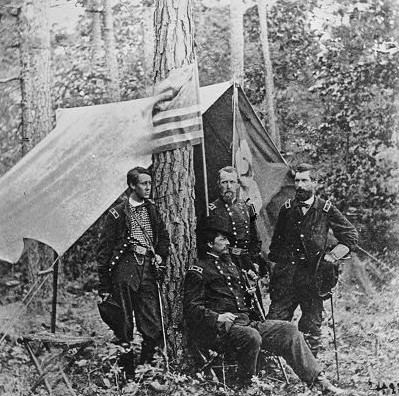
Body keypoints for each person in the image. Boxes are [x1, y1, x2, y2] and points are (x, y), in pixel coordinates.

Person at [183, 216, 344, 394]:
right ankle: (247, 385)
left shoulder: (232, 266)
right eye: (222, 239)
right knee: (251, 336)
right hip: (220, 330)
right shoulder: (198, 270)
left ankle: (318, 381)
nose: (228, 243)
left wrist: (250, 288)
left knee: (289, 331)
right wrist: (217, 318)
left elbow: (240, 299)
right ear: (209, 244)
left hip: (246, 323)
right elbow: (192, 307)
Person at [266, 163, 358, 357]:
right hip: (287, 279)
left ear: (314, 183)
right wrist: (276, 271)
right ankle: (271, 369)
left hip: (313, 279)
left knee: (312, 326)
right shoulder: (287, 209)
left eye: (304, 180)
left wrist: (332, 256)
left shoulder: (325, 209)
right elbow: (275, 246)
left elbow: (350, 235)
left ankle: (310, 372)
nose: (299, 185)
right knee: (275, 322)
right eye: (297, 180)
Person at [97, 166, 170, 369]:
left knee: (153, 322)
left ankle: (146, 368)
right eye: (143, 184)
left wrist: (159, 255)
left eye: (149, 183)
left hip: (147, 268)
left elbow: (163, 237)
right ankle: (126, 371)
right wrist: (104, 285)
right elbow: (103, 251)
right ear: (132, 185)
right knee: (124, 324)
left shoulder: (152, 209)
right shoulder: (117, 213)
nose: (148, 187)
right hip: (124, 269)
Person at [206, 166, 264, 275]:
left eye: (232, 182)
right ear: (218, 184)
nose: (229, 186)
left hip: (246, 261)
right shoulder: (212, 210)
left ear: (237, 184)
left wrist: (252, 260)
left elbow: (256, 239)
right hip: (224, 263)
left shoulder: (247, 207)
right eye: (224, 182)